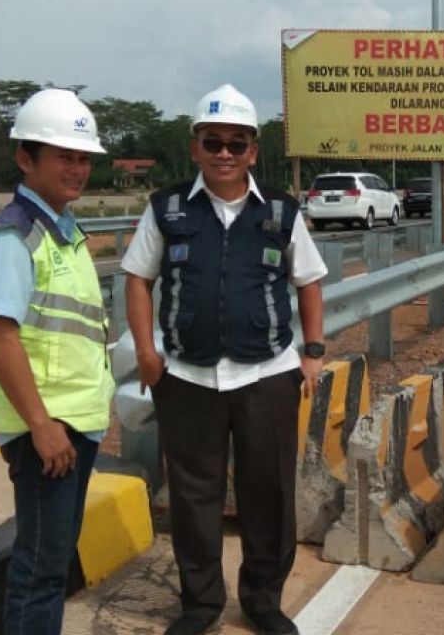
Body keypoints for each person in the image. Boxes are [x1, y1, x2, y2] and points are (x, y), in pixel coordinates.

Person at [121, 83, 326, 635]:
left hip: (268, 375)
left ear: (254, 151)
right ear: (196, 148)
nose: (225, 154)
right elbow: (138, 280)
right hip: (186, 377)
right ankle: (200, 607)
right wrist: (146, 352)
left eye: (238, 143)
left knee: (269, 494)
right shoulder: (165, 208)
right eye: (214, 142)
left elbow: (308, 281)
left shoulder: (281, 210)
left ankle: (262, 601)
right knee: (193, 498)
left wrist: (313, 352)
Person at [0, 88, 116, 635]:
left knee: (51, 562)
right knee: (39, 569)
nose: (77, 169)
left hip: (69, 423)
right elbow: (0, 336)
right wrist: (41, 425)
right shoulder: (18, 238)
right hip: (46, 432)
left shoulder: (62, 231)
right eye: (63, 156)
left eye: (83, 159)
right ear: (25, 159)